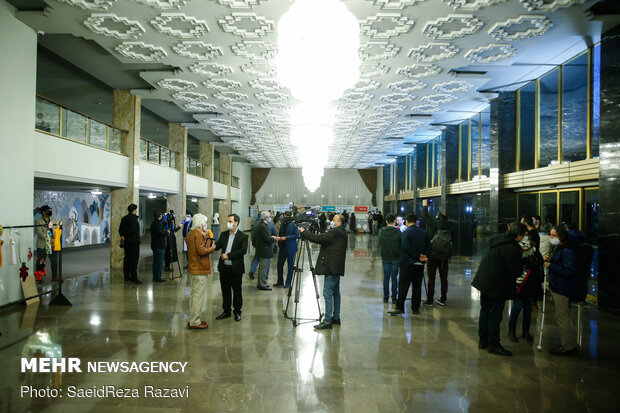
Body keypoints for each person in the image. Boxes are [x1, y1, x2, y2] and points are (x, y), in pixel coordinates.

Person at [471, 222, 526, 356]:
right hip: (497, 285)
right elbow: (513, 270)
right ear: (518, 236)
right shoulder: (511, 248)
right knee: (495, 315)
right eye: (523, 235)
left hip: (485, 282)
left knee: (485, 312)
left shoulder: (496, 241)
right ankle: (494, 344)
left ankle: (483, 341)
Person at [299, 214, 348, 330]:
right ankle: (336, 317)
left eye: (334, 220)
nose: (331, 221)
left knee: (327, 293)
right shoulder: (341, 233)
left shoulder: (335, 233)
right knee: (335, 292)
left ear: (339, 223)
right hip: (336, 267)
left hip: (331, 267)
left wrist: (304, 232)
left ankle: (327, 321)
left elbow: (319, 239)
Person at [545, 226, 579, 356]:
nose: (551, 238)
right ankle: (568, 344)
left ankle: (568, 346)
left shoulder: (568, 250)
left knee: (562, 316)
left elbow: (569, 271)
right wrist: (552, 260)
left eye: (553, 235)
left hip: (563, 287)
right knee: (561, 316)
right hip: (559, 285)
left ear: (561, 236)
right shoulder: (561, 247)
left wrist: (551, 266)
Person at [388, 214, 430, 316]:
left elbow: (406, 247)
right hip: (419, 264)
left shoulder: (406, 232)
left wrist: (416, 255)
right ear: (416, 222)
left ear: (407, 221)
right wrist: (424, 256)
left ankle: (400, 307)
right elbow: (429, 246)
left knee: (403, 286)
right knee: (416, 286)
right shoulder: (424, 232)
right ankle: (415, 308)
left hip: (407, 264)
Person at [508, 229, 543, 342]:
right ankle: (511, 331)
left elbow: (540, 260)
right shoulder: (515, 248)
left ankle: (526, 332)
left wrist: (535, 261)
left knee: (528, 310)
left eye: (527, 235)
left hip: (531, 283)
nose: (525, 237)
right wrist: (526, 261)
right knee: (517, 307)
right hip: (520, 282)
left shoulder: (534, 248)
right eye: (524, 235)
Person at [214, 214, 248, 322]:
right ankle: (226, 311)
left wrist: (228, 255)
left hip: (236, 269)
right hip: (224, 268)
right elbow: (217, 246)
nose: (228, 223)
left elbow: (243, 250)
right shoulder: (224, 234)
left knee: (237, 291)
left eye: (230, 221)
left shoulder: (243, 236)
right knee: (225, 291)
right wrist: (209, 241)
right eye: (228, 221)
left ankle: (237, 312)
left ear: (236, 223)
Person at [186, 214, 216, 329]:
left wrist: (207, 236)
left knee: (194, 295)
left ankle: (192, 319)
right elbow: (201, 250)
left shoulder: (190, 233)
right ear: (201, 223)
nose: (206, 224)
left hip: (193, 268)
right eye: (205, 222)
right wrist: (212, 247)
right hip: (200, 268)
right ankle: (195, 321)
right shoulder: (198, 233)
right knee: (198, 296)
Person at [424, 209, 452, 307]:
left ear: (438, 218)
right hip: (444, 258)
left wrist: (425, 206)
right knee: (444, 278)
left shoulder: (434, 224)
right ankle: (443, 299)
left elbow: (425, 217)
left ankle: (430, 299)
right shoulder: (450, 226)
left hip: (433, 256)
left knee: (431, 278)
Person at [378, 214, 401, 303]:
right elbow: (401, 245)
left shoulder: (381, 231)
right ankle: (394, 297)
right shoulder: (398, 232)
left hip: (385, 257)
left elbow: (379, 243)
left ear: (386, 221)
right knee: (394, 278)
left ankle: (385, 297)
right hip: (395, 258)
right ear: (395, 221)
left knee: (386, 277)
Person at [34, 205, 59, 282]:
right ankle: (39, 278)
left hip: (52, 245)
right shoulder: (38, 222)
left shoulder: (54, 220)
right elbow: (39, 233)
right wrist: (49, 239)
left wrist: (54, 239)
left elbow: (56, 230)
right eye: (48, 211)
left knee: (54, 261)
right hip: (42, 245)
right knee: (41, 261)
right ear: (44, 212)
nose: (50, 212)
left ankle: (54, 277)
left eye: (50, 210)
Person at [119, 203, 142, 284]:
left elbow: (120, 229)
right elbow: (132, 231)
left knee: (127, 259)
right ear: (134, 210)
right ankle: (134, 277)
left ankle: (126, 277)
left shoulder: (124, 218)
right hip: (134, 242)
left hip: (126, 243)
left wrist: (123, 236)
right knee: (134, 261)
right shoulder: (134, 220)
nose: (136, 211)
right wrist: (129, 236)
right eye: (136, 209)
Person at [276, 211, 299, 288]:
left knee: (290, 266)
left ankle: (288, 283)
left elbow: (296, 235)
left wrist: (286, 238)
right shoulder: (282, 223)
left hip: (290, 247)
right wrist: (279, 239)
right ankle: (280, 281)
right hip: (282, 247)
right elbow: (280, 233)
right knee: (279, 265)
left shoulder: (293, 224)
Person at [255, 211, 276, 290]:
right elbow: (267, 238)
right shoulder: (263, 226)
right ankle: (262, 284)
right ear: (266, 218)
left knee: (263, 267)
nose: (270, 218)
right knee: (263, 268)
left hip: (263, 249)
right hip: (264, 250)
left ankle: (262, 283)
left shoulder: (262, 225)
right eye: (269, 216)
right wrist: (273, 238)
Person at [150, 210, 168, 283]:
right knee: (159, 262)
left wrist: (165, 223)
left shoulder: (155, 223)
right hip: (159, 246)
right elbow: (160, 233)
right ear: (160, 216)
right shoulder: (156, 224)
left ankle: (155, 276)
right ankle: (158, 277)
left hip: (155, 245)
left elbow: (159, 229)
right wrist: (167, 232)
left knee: (156, 262)